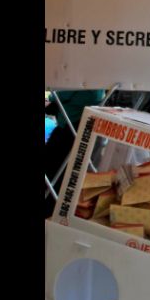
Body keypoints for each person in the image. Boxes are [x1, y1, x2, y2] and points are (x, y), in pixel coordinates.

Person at [44, 89, 106, 218]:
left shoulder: (85, 85)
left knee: (52, 172)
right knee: (63, 176)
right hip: (77, 132)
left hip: (67, 131)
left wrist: (51, 97)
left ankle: (48, 209)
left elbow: (58, 96)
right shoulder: (99, 88)